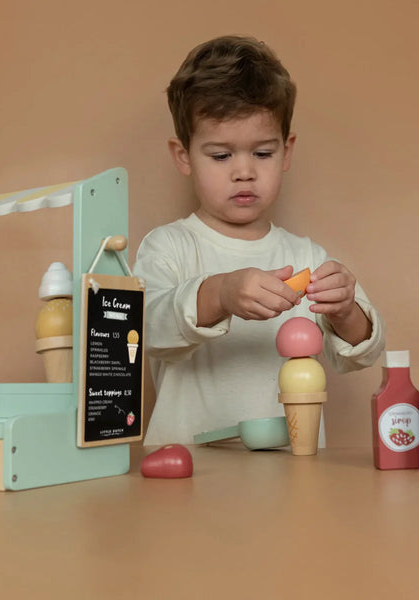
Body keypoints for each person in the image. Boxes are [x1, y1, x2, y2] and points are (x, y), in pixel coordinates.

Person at [133, 35, 385, 446]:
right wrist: (219, 293)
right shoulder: (168, 247)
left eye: (263, 153)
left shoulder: (305, 256)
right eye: (221, 156)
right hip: (189, 465)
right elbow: (143, 332)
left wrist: (345, 312)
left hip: (292, 468)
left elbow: (363, 353)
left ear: (287, 151)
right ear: (183, 156)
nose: (244, 172)